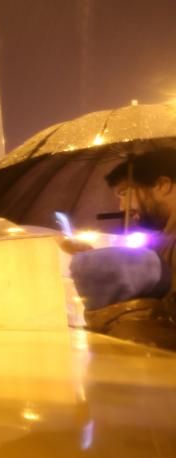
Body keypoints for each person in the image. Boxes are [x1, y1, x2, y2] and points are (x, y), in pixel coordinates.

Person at [68, 148, 176, 348]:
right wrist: (105, 267)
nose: (121, 207)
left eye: (125, 193)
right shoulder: (162, 240)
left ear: (163, 185)